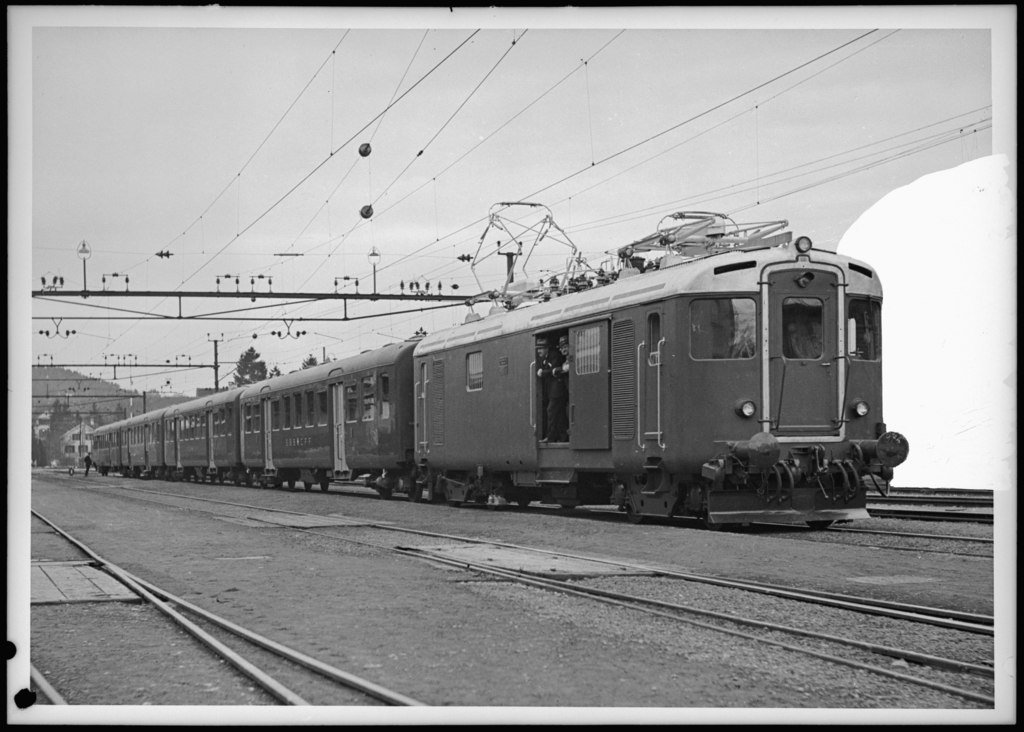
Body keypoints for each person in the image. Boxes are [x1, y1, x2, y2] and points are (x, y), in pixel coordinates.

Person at [536, 335, 569, 442]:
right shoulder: (544, 359)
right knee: (559, 414)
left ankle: (550, 437)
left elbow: (554, 370)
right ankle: (563, 437)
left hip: (558, 390)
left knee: (551, 411)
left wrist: (543, 372)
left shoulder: (554, 355)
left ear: (547, 348)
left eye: (540, 349)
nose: (538, 351)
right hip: (553, 391)